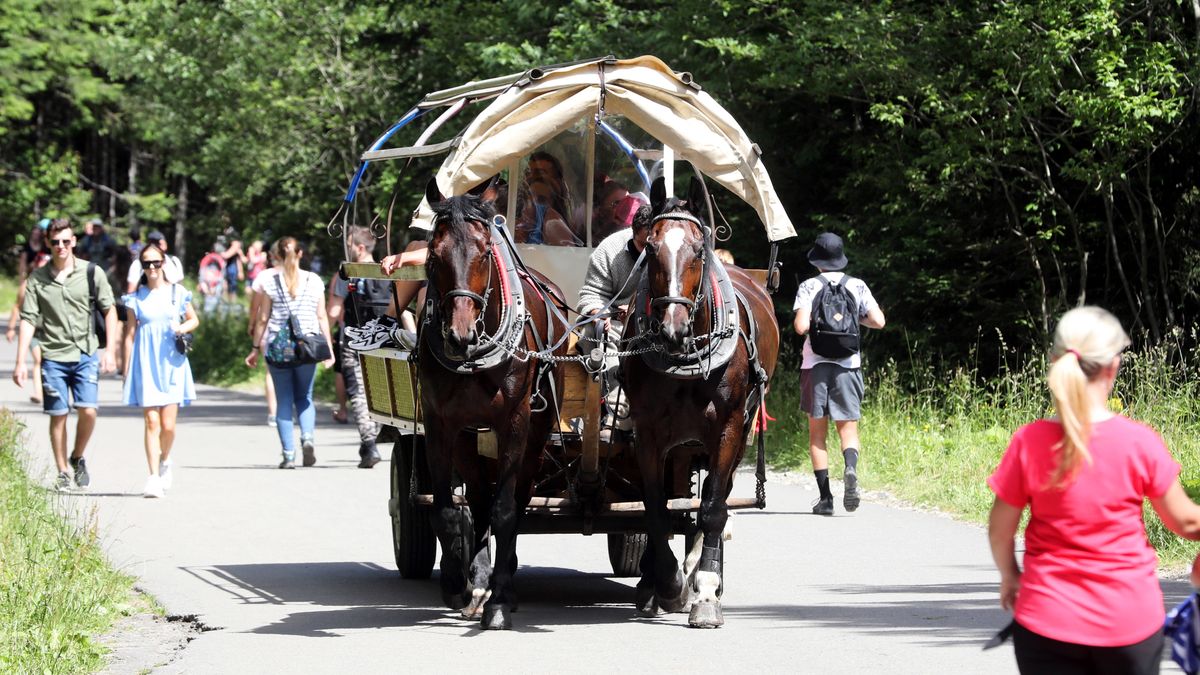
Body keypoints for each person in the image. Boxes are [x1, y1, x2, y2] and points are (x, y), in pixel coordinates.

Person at [988, 306, 1200, 674]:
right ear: (1113, 366)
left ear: (1055, 360)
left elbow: (1000, 529)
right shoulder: (1140, 442)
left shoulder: (1029, 442)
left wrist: (1011, 575)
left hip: (1045, 619)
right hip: (1129, 622)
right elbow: (1186, 522)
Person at [12, 220, 118, 491]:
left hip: (85, 353)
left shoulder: (92, 273)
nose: (61, 246)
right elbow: (28, 319)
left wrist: (111, 352)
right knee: (58, 414)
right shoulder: (38, 279)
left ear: (74, 242)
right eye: (56, 242)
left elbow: (110, 310)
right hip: (53, 357)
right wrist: (20, 361)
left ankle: (77, 456)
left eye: (66, 241)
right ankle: (62, 471)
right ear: (48, 243)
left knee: (89, 411)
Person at [792, 232, 885, 516]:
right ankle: (851, 469)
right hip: (849, 365)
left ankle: (825, 499)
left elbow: (800, 327)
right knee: (848, 429)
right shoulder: (856, 285)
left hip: (815, 366)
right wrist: (853, 320)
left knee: (817, 435)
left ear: (817, 260)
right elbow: (879, 321)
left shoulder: (809, 286)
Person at [245, 237, 336, 468]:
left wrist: (255, 348)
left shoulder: (270, 281)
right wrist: (329, 350)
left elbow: (263, 318)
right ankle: (307, 438)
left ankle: (288, 454)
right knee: (304, 397)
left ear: (276, 255)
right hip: (308, 347)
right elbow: (322, 316)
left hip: (278, 348)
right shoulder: (314, 280)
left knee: (283, 400)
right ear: (300, 254)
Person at [121, 245, 199, 498]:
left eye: (156, 262)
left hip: (172, 362)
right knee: (151, 421)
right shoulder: (136, 297)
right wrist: (125, 365)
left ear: (164, 263)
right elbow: (130, 333)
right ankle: (153, 477)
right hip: (146, 360)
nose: (152, 268)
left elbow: (194, 320)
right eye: (146, 264)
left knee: (168, 425)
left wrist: (182, 328)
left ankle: (165, 460)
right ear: (141, 267)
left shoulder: (178, 292)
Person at [576, 204, 654, 440]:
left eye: (650, 247)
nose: (645, 253)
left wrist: (635, 309)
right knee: (605, 337)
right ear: (633, 233)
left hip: (654, 323)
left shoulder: (666, 252)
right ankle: (616, 419)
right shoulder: (610, 250)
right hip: (614, 324)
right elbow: (590, 292)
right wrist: (598, 311)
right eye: (642, 245)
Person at [328, 226, 392, 468]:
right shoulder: (388, 272)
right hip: (383, 340)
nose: (347, 249)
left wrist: (326, 335)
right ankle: (372, 437)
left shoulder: (348, 273)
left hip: (353, 341)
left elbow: (333, 312)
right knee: (378, 391)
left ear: (361, 247)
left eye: (349, 245)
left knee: (358, 393)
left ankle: (369, 443)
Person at [7, 220, 52, 403]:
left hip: (50, 329)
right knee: (38, 359)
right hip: (34, 328)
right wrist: (11, 328)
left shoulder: (54, 285)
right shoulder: (27, 285)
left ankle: (49, 389)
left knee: (46, 361)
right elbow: (17, 306)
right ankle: (38, 393)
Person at [514, 151, 581, 246]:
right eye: (528, 172)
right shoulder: (518, 211)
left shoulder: (553, 222)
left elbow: (567, 257)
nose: (531, 177)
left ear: (556, 182)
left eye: (539, 173)